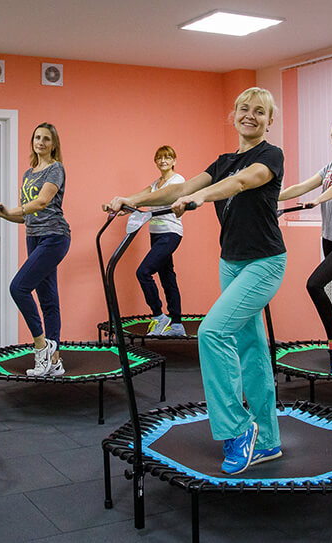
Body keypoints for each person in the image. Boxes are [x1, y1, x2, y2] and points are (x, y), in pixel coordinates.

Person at [106, 87, 285, 475]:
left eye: (259, 111)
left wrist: (202, 198)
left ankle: (238, 429)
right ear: (234, 115)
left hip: (265, 263)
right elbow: (179, 188)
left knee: (212, 333)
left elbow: (242, 182)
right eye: (243, 109)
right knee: (252, 349)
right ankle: (268, 440)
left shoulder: (270, 156)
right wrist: (133, 200)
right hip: (231, 263)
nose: (250, 115)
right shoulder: (223, 161)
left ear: (269, 120)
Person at [0, 122, 70, 377]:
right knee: (48, 298)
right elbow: (25, 216)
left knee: (18, 288)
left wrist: (8, 209)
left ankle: (41, 346)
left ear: (54, 144)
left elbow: (41, 203)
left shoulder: (55, 169)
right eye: (37, 137)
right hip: (34, 237)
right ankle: (55, 360)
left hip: (54, 237)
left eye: (46, 139)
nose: (40, 142)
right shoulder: (28, 174)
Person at [278, 117, 332, 374]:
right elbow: (302, 186)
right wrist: (273, 197)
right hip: (330, 238)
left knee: (314, 284)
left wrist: (318, 200)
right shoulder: (330, 166)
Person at [126, 145, 186, 336]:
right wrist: (120, 202)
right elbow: (140, 196)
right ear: (155, 162)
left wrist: (133, 201)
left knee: (143, 272)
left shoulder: (178, 181)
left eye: (167, 157)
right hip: (156, 233)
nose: (163, 161)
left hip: (170, 233)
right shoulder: (155, 184)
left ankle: (159, 316)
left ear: (174, 161)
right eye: (159, 158)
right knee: (167, 277)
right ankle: (177, 325)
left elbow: (158, 198)